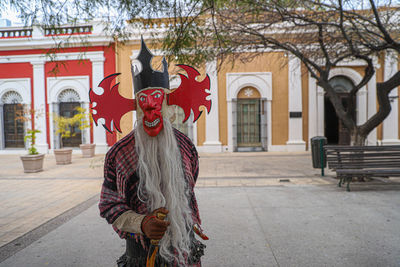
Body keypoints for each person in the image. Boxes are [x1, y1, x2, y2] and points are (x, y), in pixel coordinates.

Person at [95, 39, 209, 267]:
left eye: (157, 98)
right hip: (141, 256)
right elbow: (108, 205)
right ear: (136, 105)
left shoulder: (186, 147)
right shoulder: (118, 154)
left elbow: (190, 188)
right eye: (143, 100)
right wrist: (141, 223)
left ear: (167, 102)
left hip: (185, 250)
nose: (150, 107)